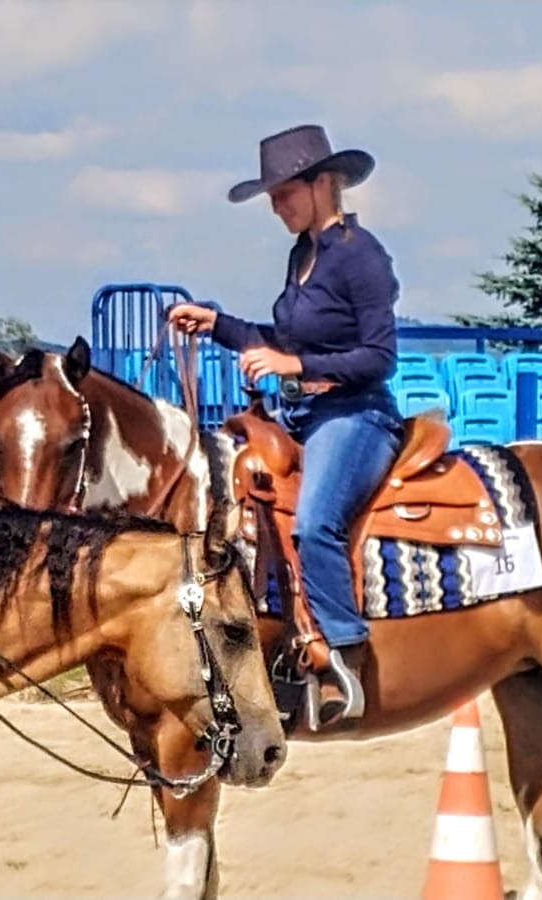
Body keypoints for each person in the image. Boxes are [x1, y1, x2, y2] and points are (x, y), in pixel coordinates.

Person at [167, 123, 402, 728]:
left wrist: (294, 364)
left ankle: (342, 659)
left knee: (317, 521)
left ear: (325, 183)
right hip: (300, 412)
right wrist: (216, 325)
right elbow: (279, 342)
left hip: (356, 412)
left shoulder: (361, 256)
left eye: (284, 194)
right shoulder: (303, 254)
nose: (277, 207)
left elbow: (378, 356)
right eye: (272, 198)